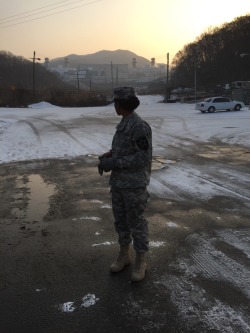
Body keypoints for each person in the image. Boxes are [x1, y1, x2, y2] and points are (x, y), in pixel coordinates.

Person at [98, 87, 152, 282]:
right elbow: (124, 149)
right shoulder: (124, 124)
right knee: (120, 220)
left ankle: (140, 260)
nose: (115, 105)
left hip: (134, 185)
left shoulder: (138, 126)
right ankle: (124, 255)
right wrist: (110, 155)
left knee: (136, 223)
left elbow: (143, 157)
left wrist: (115, 163)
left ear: (122, 104)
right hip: (119, 184)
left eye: (116, 102)